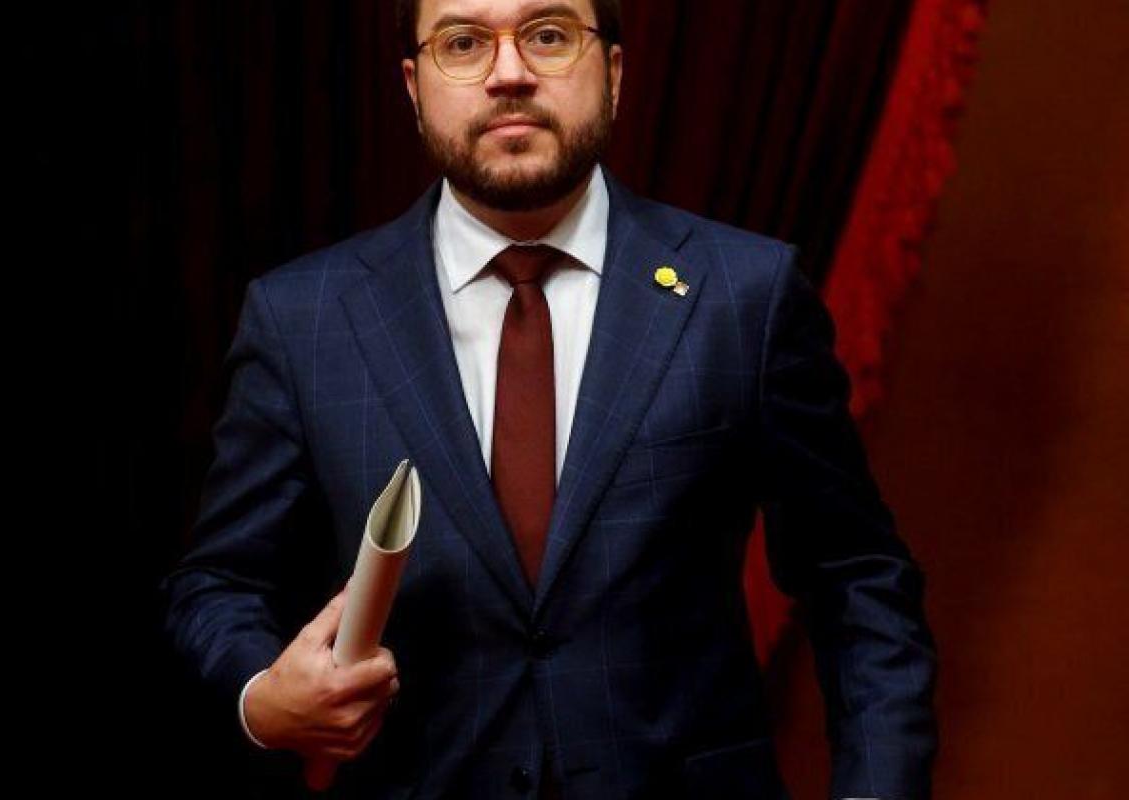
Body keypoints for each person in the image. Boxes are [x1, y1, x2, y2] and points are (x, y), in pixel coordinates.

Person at [159, 0, 938, 797]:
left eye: (550, 35)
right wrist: (262, 699)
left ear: (615, 73)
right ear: (414, 87)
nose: (509, 73)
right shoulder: (303, 319)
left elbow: (857, 581)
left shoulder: (744, 295)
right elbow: (218, 584)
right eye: (464, 42)